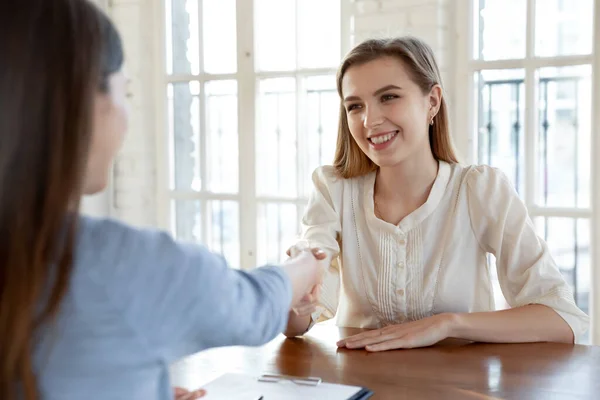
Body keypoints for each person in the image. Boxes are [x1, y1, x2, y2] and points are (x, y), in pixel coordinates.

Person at [0, 1, 324, 399]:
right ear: (84, 102)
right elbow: (251, 306)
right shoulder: (117, 264)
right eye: (126, 91)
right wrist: (303, 266)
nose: (126, 114)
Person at [284, 36, 589, 351]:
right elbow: (296, 325)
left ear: (432, 102)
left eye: (388, 97)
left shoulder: (479, 190)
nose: (369, 121)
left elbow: (562, 319)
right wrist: (294, 291)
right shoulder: (333, 188)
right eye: (355, 106)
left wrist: (447, 324)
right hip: (361, 385)